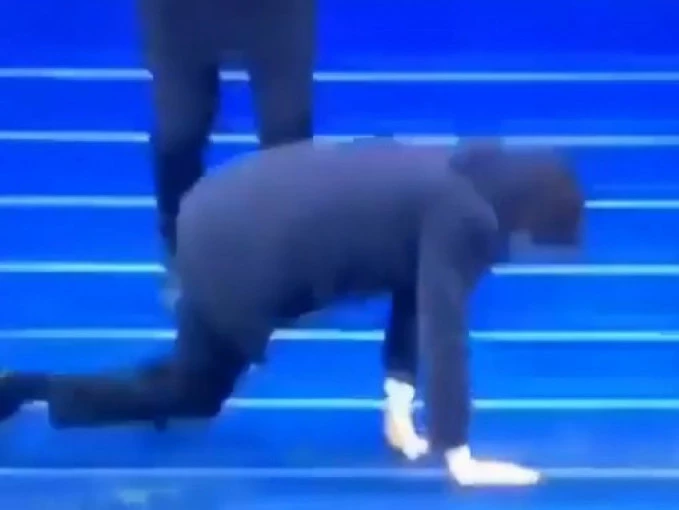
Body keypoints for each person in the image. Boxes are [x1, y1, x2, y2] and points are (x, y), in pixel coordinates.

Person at [0, 139, 583, 486]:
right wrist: (458, 455)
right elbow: (442, 325)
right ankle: (29, 390)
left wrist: (399, 402)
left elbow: (416, 288)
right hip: (238, 252)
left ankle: (31, 390)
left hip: (221, 203)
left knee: (191, 376)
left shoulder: (459, 171)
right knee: (194, 391)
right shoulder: (467, 218)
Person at [138, 0, 314, 302]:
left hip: (276, 12)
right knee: (180, 130)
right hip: (179, 13)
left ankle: (292, 262)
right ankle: (183, 255)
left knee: (287, 132)